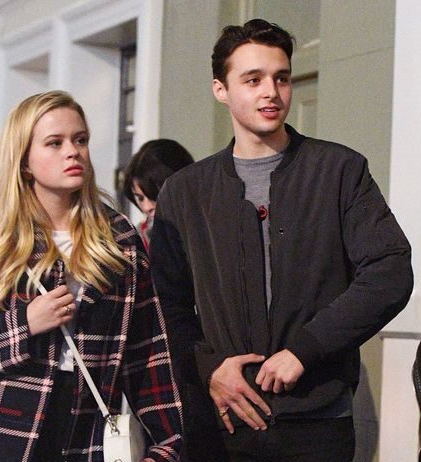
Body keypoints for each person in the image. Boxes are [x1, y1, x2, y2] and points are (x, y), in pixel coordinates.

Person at [150, 19, 413, 462]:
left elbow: (389, 272)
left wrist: (305, 350)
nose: (271, 92)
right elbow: (164, 303)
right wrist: (209, 369)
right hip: (221, 421)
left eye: (282, 78)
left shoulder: (339, 170)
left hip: (317, 421)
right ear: (220, 90)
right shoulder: (184, 191)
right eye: (253, 80)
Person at [0, 91, 182, 462]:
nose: (73, 152)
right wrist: (23, 325)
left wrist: (167, 447)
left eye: (80, 140)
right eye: (55, 143)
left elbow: (148, 354)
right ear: (24, 161)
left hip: (90, 434)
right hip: (0, 437)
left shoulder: (118, 239)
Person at [123, 139, 193, 250]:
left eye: (154, 195)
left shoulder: (210, 228)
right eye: (140, 198)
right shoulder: (136, 242)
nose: (147, 207)